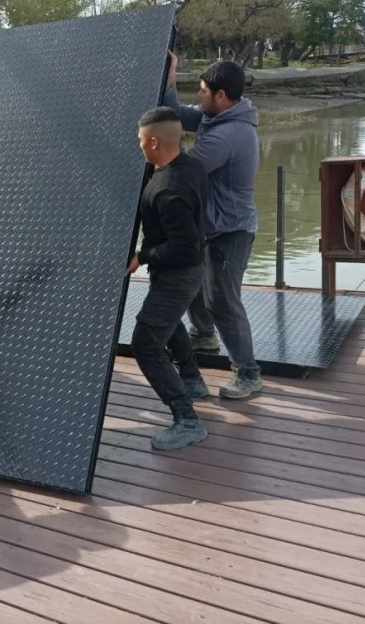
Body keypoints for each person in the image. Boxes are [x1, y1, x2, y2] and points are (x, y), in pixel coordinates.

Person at [162, 53, 263, 400]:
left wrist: (155, 143)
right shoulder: (217, 117)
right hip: (210, 224)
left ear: (221, 96)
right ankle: (204, 335)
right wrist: (170, 80)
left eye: (203, 91)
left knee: (223, 301)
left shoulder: (229, 135)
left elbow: (184, 170)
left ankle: (248, 374)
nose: (199, 96)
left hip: (230, 230)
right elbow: (178, 114)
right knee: (194, 284)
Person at [127, 106, 211, 451]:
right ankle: (191, 379)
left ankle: (188, 420)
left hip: (179, 274)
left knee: (146, 343)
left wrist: (142, 256)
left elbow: (184, 248)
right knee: (168, 322)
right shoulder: (189, 167)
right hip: (180, 273)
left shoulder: (169, 190)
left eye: (140, 140)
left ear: (154, 142)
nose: (138, 145)